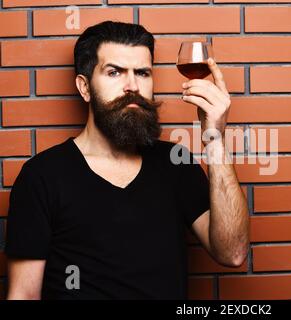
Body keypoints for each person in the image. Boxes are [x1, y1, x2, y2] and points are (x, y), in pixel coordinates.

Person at [5, 21, 249, 300]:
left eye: (143, 73)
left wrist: (214, 138)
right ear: (84, 88)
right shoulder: (42, 176)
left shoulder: (175, 162)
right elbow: (22, 295)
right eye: (114, 72)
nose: (132, 86)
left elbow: (233, 252)